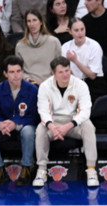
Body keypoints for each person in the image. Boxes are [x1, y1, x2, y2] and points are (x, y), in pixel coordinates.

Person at [33, 56, 99, 187]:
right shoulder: (45, 87)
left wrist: (68, 126)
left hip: (73, 121)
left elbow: (85, 111)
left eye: (67, 70)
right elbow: (43, 111)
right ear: (53, 73)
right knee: (40, 129)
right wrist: (52, 127)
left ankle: (91, 170)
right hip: (54, 122)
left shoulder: (80, 85)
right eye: (61, 72)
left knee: (89, 127)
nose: (65, 75)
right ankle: (41, 170)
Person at [0, 55, 40, 187]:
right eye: (12, 72)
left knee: (29, 132)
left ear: (23, 72)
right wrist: (0, 123)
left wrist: (15, 122)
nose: (16, 75)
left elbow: (34, 116)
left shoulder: (32, 89)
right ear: (5, 74)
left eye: (19, 71)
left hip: (24, 126)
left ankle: (26, 168)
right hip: (4, 127)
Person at [61, 17, 107, 101]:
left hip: (93, 84)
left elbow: (92, 75)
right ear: (70, 32)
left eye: (82, 29)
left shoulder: (94, 46)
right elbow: (65, 71)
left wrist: (75, 60)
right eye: (76, 30)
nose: (80, 33)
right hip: (73, 83)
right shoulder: (65, 47)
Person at [15, 9, 62, 84]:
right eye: (29, 21)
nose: (32, 24)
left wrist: (48, 82)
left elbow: (60, 66)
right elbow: (18, 69)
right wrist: (26, 78)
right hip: (29, 85)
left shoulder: (54, 42)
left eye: (34, 20)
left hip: (50, 84)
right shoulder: (20, 46)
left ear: (40, 22)